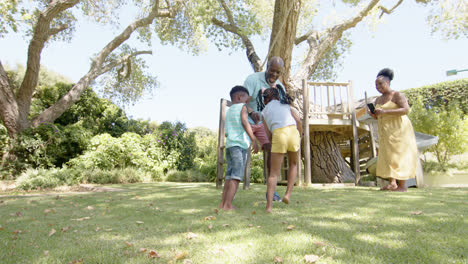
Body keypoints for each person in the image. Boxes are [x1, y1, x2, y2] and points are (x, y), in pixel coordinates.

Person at [244, 56, 289, 201]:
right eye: (272, 70)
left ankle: (272, 190)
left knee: (274, 146)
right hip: (250, 120)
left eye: (278, 72)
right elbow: (241, 100)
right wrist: (251, 112)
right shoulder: (253, 79)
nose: (274, 75)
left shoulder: (279, 86)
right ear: (267, 66)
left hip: (268, 124)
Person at [371, 68, 418, 192]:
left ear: (388, 82)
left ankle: (402, 185)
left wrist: (385, 112)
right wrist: (375, 115)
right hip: (385, 132)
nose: (378, 86)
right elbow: (380, 115)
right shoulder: (377, 100)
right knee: (388, 156)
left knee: (400, 155)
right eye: (376, 85)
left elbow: (405, 110)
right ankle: (392, 183)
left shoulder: (397, 95)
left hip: (399, 130)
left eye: (380, 83)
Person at [261, 88, 302, 212]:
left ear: (265, 99)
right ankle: (288, 194)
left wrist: (274, 141)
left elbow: (268, 133)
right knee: (293, 164)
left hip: (279, 134)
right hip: (292, 131)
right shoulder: (286, 105)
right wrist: (300, 133)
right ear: (278, 97)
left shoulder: (263, 112)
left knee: (273, 174)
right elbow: (298, 121)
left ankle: (269, 206)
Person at [219, 86, 259, 210]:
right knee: (236, 176)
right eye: (246, 100)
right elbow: (245, 121)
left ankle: (223, 204)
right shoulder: (242, 107)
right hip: (239, 146)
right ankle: (228, 205)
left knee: (229, 176)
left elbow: (226, 132)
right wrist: (253, 139)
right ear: (239, 97)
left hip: (230, 145)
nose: (247, 103)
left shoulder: (229, 110)